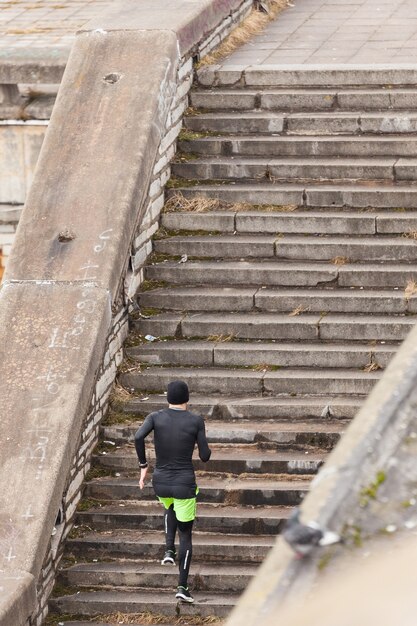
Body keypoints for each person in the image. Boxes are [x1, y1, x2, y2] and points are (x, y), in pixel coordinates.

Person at [134, 380, 211, 603]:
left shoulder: (155, 417)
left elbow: (138, 437)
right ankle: (182, 587)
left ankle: (168, 550)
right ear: (187, 398)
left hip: (160, 481)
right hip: (184, 483)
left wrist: (143, 466)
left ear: (168, 398)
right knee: (185, 535)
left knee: (169, 505)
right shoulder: (196, 420)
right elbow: (205, 456)